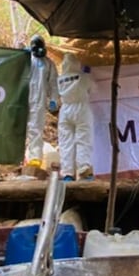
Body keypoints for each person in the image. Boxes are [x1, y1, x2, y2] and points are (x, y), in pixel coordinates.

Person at [57, 53, 94, 181]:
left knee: (66, 142)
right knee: (83, 140)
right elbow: (93, 89)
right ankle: (84, 170)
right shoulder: (82, 77)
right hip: (81, 109)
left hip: (65, 110)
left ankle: (67, 173)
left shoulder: (60, 79)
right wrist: (87, 74)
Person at [24, 35, 59, 169]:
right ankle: (18, 156)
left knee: (35, 129)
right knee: (20, 128)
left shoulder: (48, 64)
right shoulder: (26, 60)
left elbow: (53, 83)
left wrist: (54, 100)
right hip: (23, 98)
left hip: (39, 100)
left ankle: (34, 158)